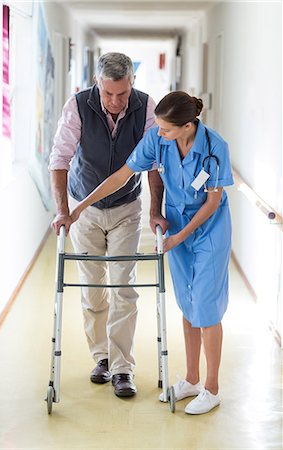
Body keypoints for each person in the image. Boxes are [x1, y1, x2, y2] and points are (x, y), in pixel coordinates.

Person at [68, 91, 234, 415]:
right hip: (176, 224)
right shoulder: (157, 140)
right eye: (158, 127)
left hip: (210, 230)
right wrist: (81, 207)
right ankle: (191, 378)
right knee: (187, 303)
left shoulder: (216, 148)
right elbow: (122, 175)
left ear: (187, 126)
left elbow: (213, 202)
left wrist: (179, 237)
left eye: (166, 129)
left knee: (206, 306)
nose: (159, 133)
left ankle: (212, 388)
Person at [49, 52, 156, 398]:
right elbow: (60, 158)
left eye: (122, 94)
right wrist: (65, 210)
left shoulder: (145, 107)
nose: (114, 101)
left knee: (123, 288)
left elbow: (154, 164)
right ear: (97, 83)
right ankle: (103, 358)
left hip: (127, 208)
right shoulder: (79, 106)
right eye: (108, 93)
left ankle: (123, 367)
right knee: (93, 289)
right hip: (86, 210)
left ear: (132, 84)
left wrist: (156, 210)